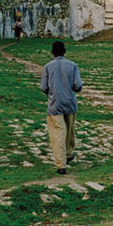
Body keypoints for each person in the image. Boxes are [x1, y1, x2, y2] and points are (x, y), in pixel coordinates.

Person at [39, 40, 83, 175]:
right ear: (64, 52)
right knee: (69, 130)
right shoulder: (72, 66)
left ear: (52, 53)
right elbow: (78, 86)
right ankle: (69, 153)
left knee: (58, 133)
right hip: (69, 103)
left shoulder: (47, 67)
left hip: (55, 104)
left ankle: (61, 164)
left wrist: (53, 93)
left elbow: (43, 87)